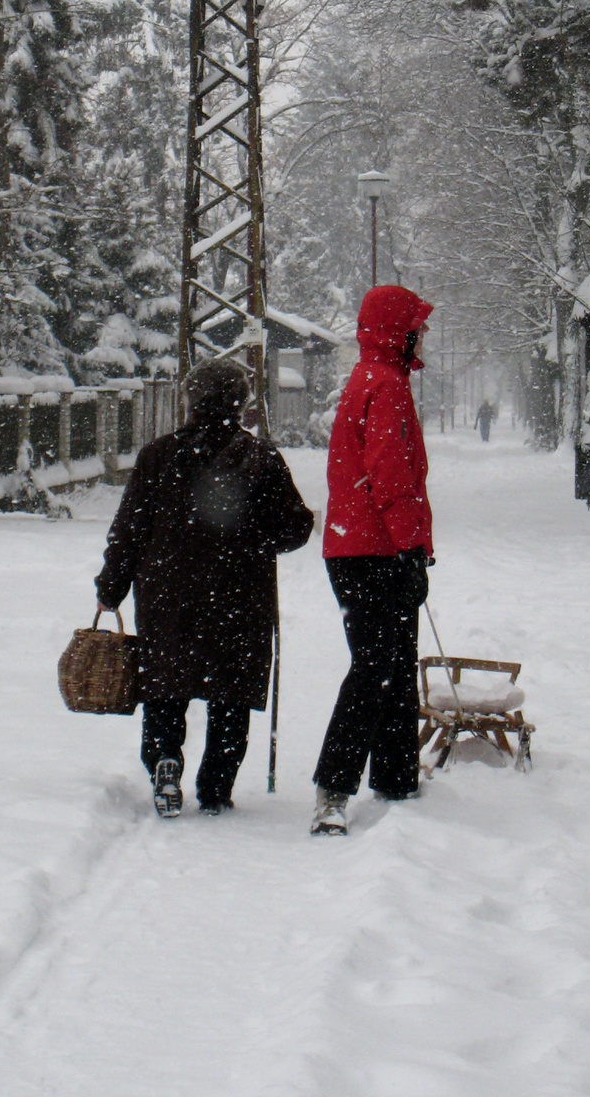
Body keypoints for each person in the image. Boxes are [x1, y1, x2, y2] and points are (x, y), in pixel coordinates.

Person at [95, 358, 313, 818]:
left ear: (191, 400)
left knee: (166, 685)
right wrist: (269, 528)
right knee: (230, 692)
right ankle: (216, 785)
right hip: (238, 595)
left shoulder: (158, 455)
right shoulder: (261, 458)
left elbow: (128, 530)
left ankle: (165, 761)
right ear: (242, 403)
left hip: (168, 595)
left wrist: (110, 587)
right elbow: (292, 529)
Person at [311, 285, 435, 835]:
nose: (424, 332)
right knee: (374, 667)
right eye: (417, 323)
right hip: (371, 548)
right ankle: (333, 789)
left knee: (394, 662)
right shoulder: (383, 385)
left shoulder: (376, 378)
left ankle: (396, 775)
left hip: (365, 544)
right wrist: (411, 548)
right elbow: (390, 476)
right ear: (395, 328)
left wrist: (412, 549)